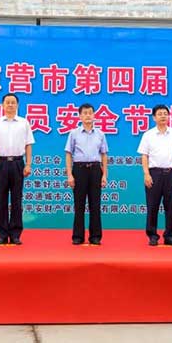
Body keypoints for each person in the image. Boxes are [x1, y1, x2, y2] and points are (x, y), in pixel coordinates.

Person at [0, 93, 35, 245]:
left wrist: (28, 164)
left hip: (18, 163)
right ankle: (1, 234)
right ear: (2, 105)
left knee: (16, 200)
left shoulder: (24, 123)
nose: (10, 105)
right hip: (1, 163)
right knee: (1, 200)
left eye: (13, 102)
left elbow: (28, 145)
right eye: (7, 102)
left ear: (17, 105)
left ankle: (15, 234)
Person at [137, 104, 172, 246]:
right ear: (154, 117)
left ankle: (169, 236)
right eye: (160, 114)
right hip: (154, 173)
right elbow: (144, 156)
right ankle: (152, 235)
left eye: (165, 113)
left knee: (170, 206)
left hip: (171, 174)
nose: (163, 116)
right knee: (152, 206)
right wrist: (146, 174)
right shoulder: (148, 135)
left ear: (169, 116)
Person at [65, 103, 108, 245]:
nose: (88, 115)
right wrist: (70, 175)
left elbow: (104, 155)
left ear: (94, 115)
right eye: (85, 113)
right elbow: (68, 154)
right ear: (80, 116)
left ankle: (95, 236)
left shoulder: (100, 134)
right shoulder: (74, 133)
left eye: (90, 112)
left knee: (95, 204)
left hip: (95, 170)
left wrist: (104, 175)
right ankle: (78, 236)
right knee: (79, 205)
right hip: (79, 169)